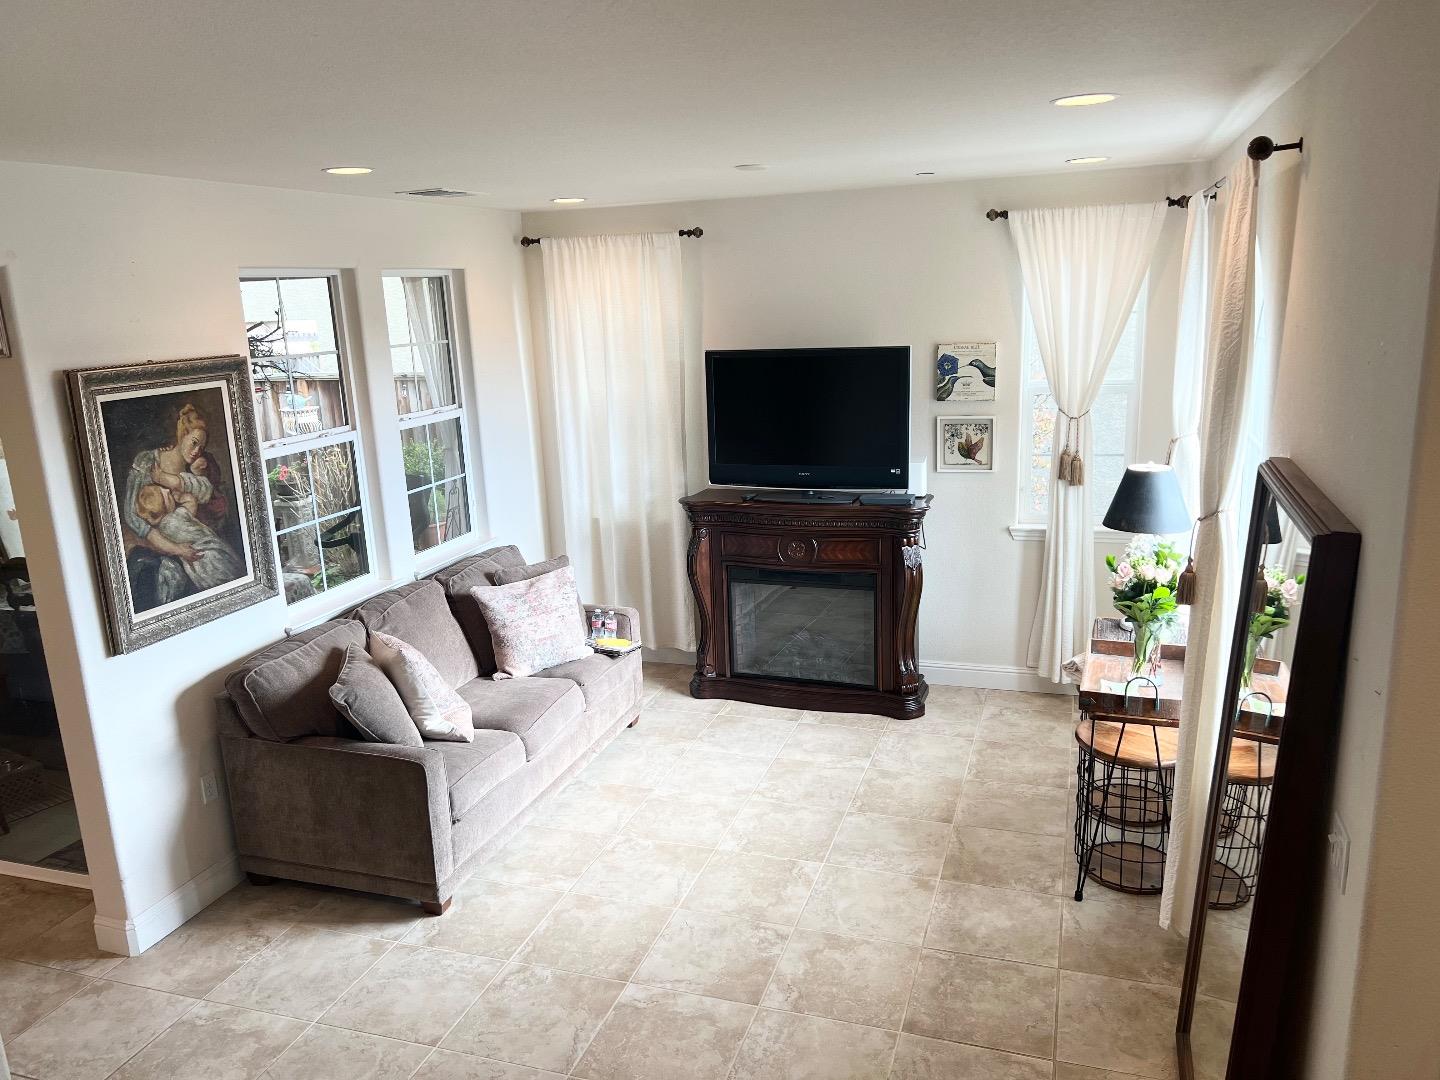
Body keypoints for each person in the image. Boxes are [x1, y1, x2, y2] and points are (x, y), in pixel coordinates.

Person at [134, 482, 244, 591]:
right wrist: (181, 497)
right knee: (229, 571)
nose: (168, 490)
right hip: (210, 551)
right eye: (167, 495)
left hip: (196, 565)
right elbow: (192, 501)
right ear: (165, 507)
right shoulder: (177, 516)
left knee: (214, 582)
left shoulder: (162, 530)